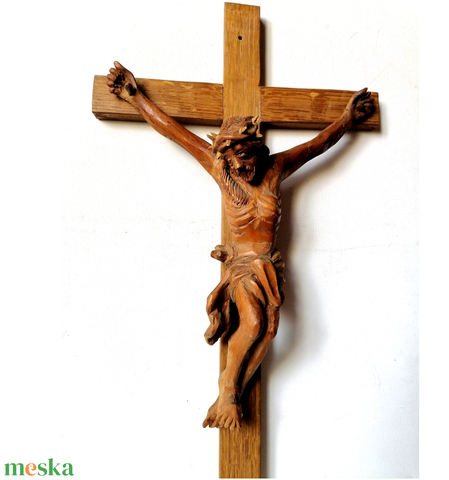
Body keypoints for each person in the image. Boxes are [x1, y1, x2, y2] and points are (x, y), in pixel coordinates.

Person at [106, 61, 374, 430]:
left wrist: (347, 118)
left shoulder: (275, 169)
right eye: (232, 160)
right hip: (242, 269)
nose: (239, 166)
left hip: (268, 268)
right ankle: (229, 390)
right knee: (255, 321)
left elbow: (318, 145)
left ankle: (229, 391)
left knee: (269, 330)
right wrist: (137, 99)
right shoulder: (222, 171)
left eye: (245, 157)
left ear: (256, 150)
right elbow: (175, 132)